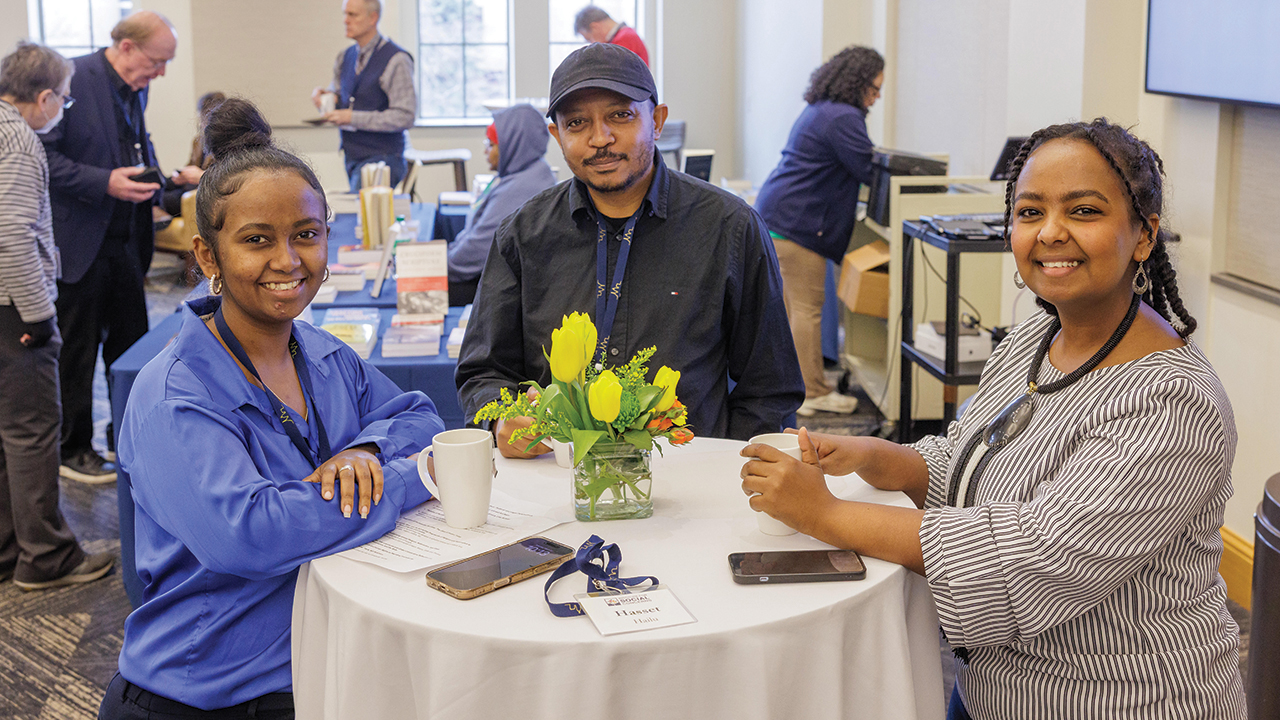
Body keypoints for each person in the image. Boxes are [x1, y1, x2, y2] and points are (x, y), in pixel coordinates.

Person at [741, 120, 1246, 719]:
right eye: (1030, 212)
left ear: (1143, 235)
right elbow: (969, 462)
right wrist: (878, 457)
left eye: (1083, 211)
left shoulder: (1171, 404)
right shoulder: (1035, 336)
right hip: (991, 687)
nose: (1051, 233)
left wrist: (823, 513)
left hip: (1121, 699)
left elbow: (1034, 559)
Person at [97, 98, 444, 718]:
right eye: (257, 241)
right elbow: (252, 534)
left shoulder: (322, 353)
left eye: (306, 236)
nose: (288, 261)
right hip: (206, 692)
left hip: (317, 666)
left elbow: (420, 418)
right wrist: (404, 478)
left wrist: (363, 451)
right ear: (208, 256)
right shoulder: (175, 396)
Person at [457, 43, 803, 455]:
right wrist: (500, 417)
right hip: (558, 482)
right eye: (577, 123)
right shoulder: (523, 235)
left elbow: (769, 387)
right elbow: (483, 371)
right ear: (557, 136)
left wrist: (727, 468)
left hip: (691, 481)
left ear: (656, 121)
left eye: (620, 115)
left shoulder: (729, 228)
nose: (599, 139)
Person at [41, 10, 177, 484]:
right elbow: (45, 159)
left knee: (130, 348)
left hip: (127, 243)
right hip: (80, 245)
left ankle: (126, 436)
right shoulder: (71, 77)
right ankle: (73, 449)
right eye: (158, 61)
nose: (161, 72)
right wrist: (106, 183)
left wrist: (162, 181)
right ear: (126, 47)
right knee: (76, 352)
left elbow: (136, 145)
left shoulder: (135, 83)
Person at [0, 43, 115, 591]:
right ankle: (47, 556)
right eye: (64, 100)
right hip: (14, 310)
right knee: (31, 433)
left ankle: (9, 547)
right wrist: (41, 317)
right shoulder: (19, 139)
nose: (63, 109)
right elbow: (15, 238)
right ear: (43, 97)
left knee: (4, 436)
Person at [755, 46, 884, 417]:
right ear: (858, 82)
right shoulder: (844, 116)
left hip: (781, 215)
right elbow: (867, 168)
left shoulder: (821, 109)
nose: (876, 97)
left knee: (796, 308)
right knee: (808, 309)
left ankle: (803, 387)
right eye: (875, 89)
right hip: (798, 223)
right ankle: (811, 391)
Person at [448, 103, 557, 306]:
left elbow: (477, 251)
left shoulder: (521, 188)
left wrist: (442, 264)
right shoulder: (527, 172)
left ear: (512, 146)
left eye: (491, 144)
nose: (485, 151)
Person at [312, 0, 416, 192]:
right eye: (345, 14)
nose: (345, 20)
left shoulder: (396, 60)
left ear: (373, 18)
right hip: (352, 156)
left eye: (352, 15)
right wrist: (326, 98)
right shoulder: (345, 57)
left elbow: (405, 115)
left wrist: (352, 118)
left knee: (364, 218)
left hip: (384, 158)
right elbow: (339, 95)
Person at [574, 5, 649, 66]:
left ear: (595, 27)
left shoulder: (624, 39)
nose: (592, 43)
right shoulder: (625, 36)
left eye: (589, 39)